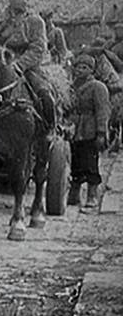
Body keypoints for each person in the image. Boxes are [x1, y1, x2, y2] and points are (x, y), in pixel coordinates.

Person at [0, 0, 58, 136]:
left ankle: (49, 130)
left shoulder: (36, 21)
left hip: (28, 67)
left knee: (44, 95)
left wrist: (20, 65)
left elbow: (38, 48)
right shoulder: (0, 20)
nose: (25, 2)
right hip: (2, 63)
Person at [68, 54, 110, 212]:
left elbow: (102, 111)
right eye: (78, 67)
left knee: (91, 163)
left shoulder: (97, 87)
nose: (80, 70)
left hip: (90, 129)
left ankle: (92, 196)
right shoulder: (72, 86)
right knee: (76, 161)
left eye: (84, 68)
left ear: (91, 70)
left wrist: (101, 133)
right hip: (76, 128)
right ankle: (74, 195)